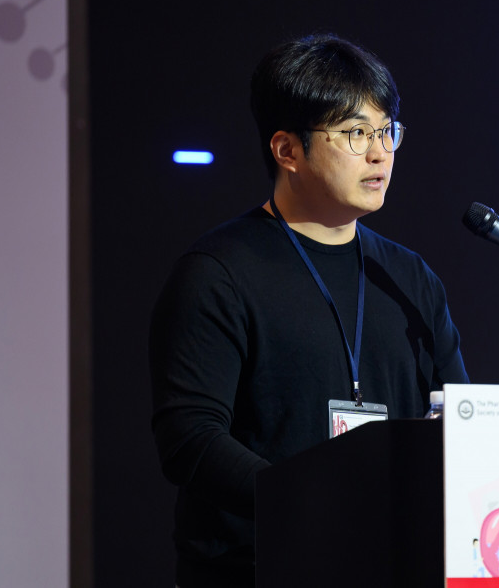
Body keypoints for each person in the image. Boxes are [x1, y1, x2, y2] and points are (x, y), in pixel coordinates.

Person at [149, 33, 469, 588]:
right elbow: (190, 440)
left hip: (391, 569)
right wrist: (312, 504)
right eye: (355, 133)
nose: (380, 153)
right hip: (256, 571)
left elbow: (462, 423)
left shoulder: (410, 279)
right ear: (287, 151)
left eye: (387, 131)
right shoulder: (218, 272)